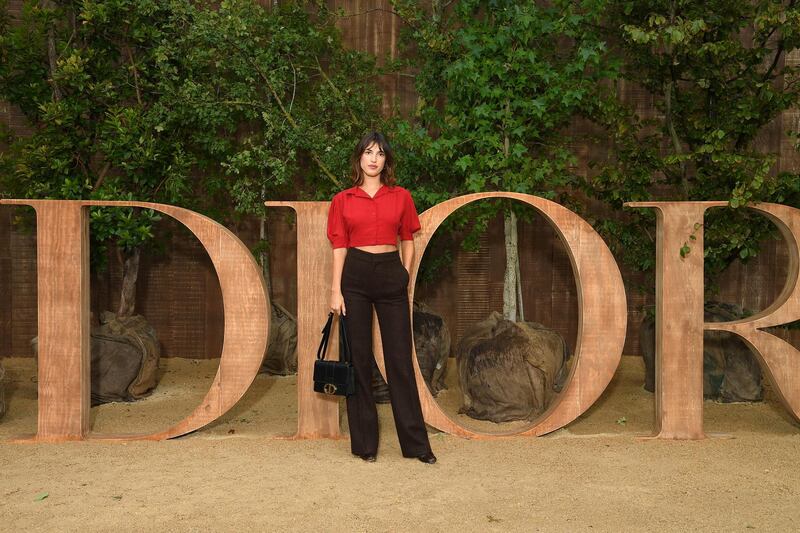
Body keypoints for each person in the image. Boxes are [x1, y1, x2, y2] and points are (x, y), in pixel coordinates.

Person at [326, 131, 436, 465]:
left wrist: (403, 274)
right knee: (358, 359)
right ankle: (365, 446)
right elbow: (339, 247)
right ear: (358, 157)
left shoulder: (401, 196)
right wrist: (335, 289)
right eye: (368, 152)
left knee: (399, 361)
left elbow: (408, 239)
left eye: (380, 153)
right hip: (355, 276)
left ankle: (417, 446)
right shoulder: (342, 200)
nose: (374, 158)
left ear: (386, 160)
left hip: (391, 274)